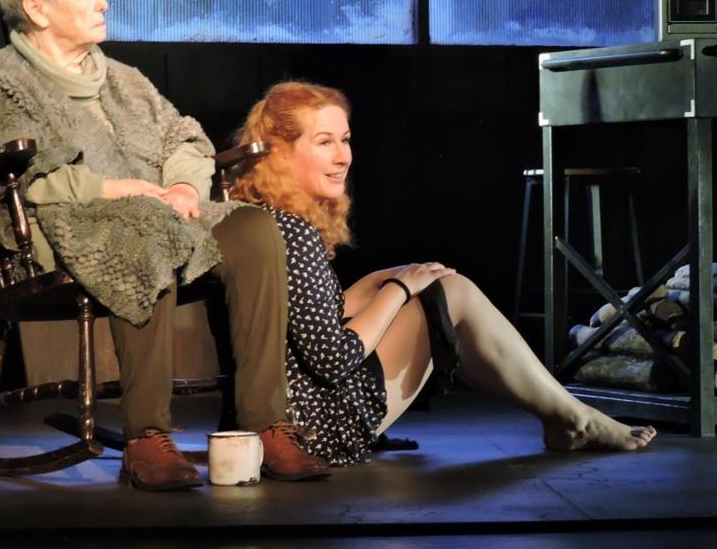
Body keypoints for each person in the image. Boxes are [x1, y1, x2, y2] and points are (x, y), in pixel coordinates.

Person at [0, 0, 329, 490]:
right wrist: (121, 189)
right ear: (36, 8)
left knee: (253, 228)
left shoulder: (123, 79)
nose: (104, 2)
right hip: (59, 227)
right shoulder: (2, 82)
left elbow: (182, 136)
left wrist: (181, 185)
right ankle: (146, 436)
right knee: (142, 230)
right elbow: (18, 176)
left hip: (157, 213)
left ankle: (266, 424)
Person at [227, 81, 657, 466]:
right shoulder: (294, 232)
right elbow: (332, 359)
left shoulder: (264, 218)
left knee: (432, 286)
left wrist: (382, 282)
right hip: (319, 428)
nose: (342, 156)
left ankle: (566, 416)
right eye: (324, 142)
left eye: (345, 139)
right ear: (281, 152)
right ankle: (574, 420)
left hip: (290, 411)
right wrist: (396, 290)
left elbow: (297, 325)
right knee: (452, 292)